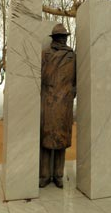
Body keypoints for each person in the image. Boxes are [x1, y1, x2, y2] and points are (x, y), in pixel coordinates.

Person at [39, 23, 76, 188]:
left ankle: (58, 175)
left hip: (65, 102)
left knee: (61, 140)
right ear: (54, 38)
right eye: (60, 37)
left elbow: (75, 78)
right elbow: (41, 76)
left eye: (64, 37)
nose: (62, 39)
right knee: (46, 139)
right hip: (48, 100)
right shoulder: (45, 54)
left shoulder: (72, 55)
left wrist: (72, 92)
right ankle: (45, 175)